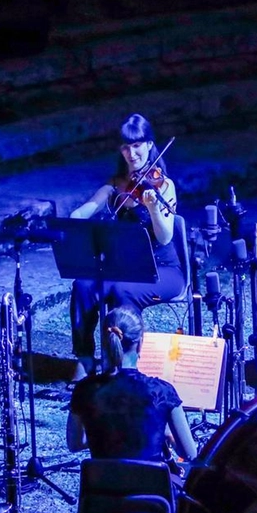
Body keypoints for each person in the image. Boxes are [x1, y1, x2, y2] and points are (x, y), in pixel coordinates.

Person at [66, 306, 198, 513]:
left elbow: (74, 444)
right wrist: (159, 435)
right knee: (197, 501)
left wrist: (105, 431)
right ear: (142, 341)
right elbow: (192, 455)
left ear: (104, 340)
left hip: (100, 506)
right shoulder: (161, 392)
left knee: (125, 478)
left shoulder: (84, 390)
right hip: (153, 505)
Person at [68, 113, 184, 381]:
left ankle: (125, 364)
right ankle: (85, 360)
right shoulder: (116, 185)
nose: (132, 154)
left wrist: (154, 208)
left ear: (149, 145)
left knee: (122, 290)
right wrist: (75, 218)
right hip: (125, 268)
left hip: (162, 270)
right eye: (125, 147)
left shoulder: (163, 186)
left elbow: (165, 237)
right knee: (83, 285)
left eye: (137, 145)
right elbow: (87, 209)